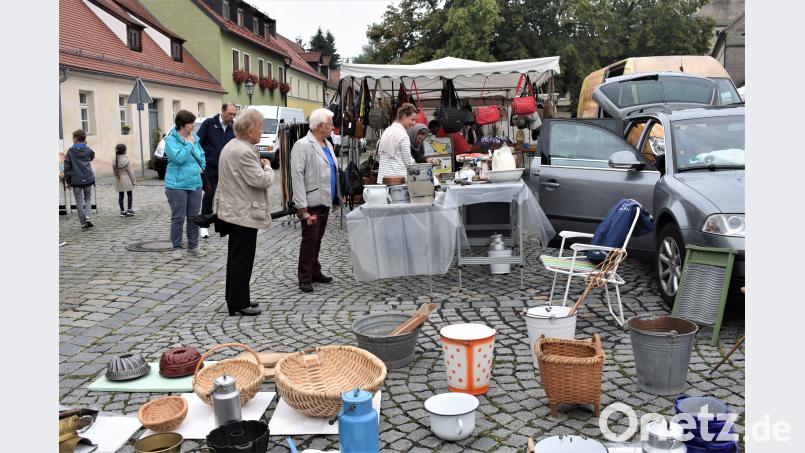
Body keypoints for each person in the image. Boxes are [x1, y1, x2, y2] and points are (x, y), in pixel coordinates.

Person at [214, 109, 275, 316]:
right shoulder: (244, 151)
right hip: (243, 212)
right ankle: (239, 303)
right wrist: (268, 167)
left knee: (237, 258)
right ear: (249, 131)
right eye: (260, 128)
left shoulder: (232, 145)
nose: (261, 131)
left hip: (235, 210)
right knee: (242, 259)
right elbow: (261, 180)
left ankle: (238, 298)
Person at [290, 108, 341, 293]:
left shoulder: (327, 144)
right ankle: (304, 276)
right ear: (320, 126)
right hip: (311, 201)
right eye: (330, 124)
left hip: (325, 199)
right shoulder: (303, 145)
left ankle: (314, 270)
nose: (333, 127)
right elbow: (296, 175)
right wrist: (301, 206)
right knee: (310, 240)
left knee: (317, 239)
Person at [164, 109, 206, 259]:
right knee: (178, 217)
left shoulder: (194, 137)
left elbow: (201, 154)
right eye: (191, 124)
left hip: (195, 182)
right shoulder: (170, 140)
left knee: (194, 216)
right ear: (182, 124)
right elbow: (179, 158)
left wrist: (203, 167)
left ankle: (193, 246)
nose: (193, 127)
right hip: (177, 185)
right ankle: (177, 247)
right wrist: (188, 145)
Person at [196, 103, 237, 238]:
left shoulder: (234, 127)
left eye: (234, 114)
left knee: (226, 194)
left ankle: (224, 222)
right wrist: (204, 158)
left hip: (227, 166)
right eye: (230, 114)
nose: (232, 117)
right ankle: (204, 225)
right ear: (222, 111)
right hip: (210, 166)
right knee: (210, 193)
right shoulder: (209, 123)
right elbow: (197, 142)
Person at [376, 103, 419, 183]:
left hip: (383, 179)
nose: (414, 123)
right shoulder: (403, 136)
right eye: (412, 119)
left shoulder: (387, 131)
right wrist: (419, 167)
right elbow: (408, 162)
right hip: (397, 181)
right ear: (404, 117)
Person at [63, 129, 96, 231]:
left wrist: (68, 181)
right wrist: (85, 147)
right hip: (88, 177)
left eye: (73, 137)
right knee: (88, 198)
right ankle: (87, 217)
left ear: (76, 138)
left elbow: (67, 168)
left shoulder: (70, 151)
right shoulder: (88, 150)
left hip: (76, 180)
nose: (72, 139)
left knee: (79, 201)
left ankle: (83, 224)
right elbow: (91, 157)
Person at [112, 144, 136, 217]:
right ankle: (129, 210)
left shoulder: (114, 161)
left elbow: (114, 172)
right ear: (124, 151)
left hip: (119, 179)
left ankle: (122, 211)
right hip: (127, 179)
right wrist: (133, 181)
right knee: (129, 194)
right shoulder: (127, 160)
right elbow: (131, 172)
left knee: (121, 195)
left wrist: (117, 178)